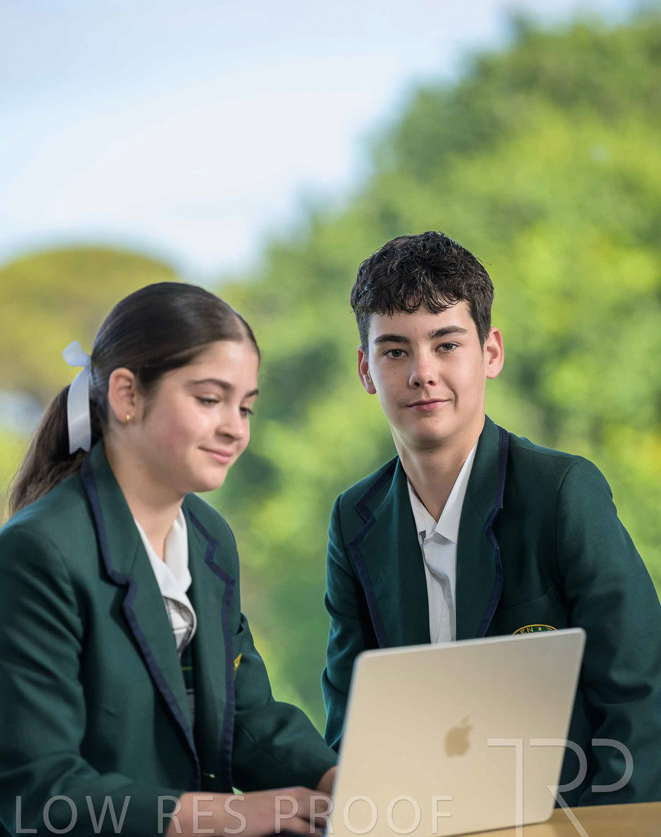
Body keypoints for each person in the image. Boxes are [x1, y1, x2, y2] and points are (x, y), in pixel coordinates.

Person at [322, 231, 661, 808]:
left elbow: (642, 699)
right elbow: (350, 722)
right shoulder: (355, 518)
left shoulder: (562, 492)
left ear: (491, 352)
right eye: (395, 351)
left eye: (446, 344)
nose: (422, 373)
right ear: (365, 369)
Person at [0, 282, 337, 837]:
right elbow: (42, 793)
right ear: (127, 395)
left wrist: (342, 781)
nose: (235, 428)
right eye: (209, 400)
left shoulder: (209, 539)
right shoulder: (38, 551)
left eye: (246, 407)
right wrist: (232, 815)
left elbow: (243, 715)